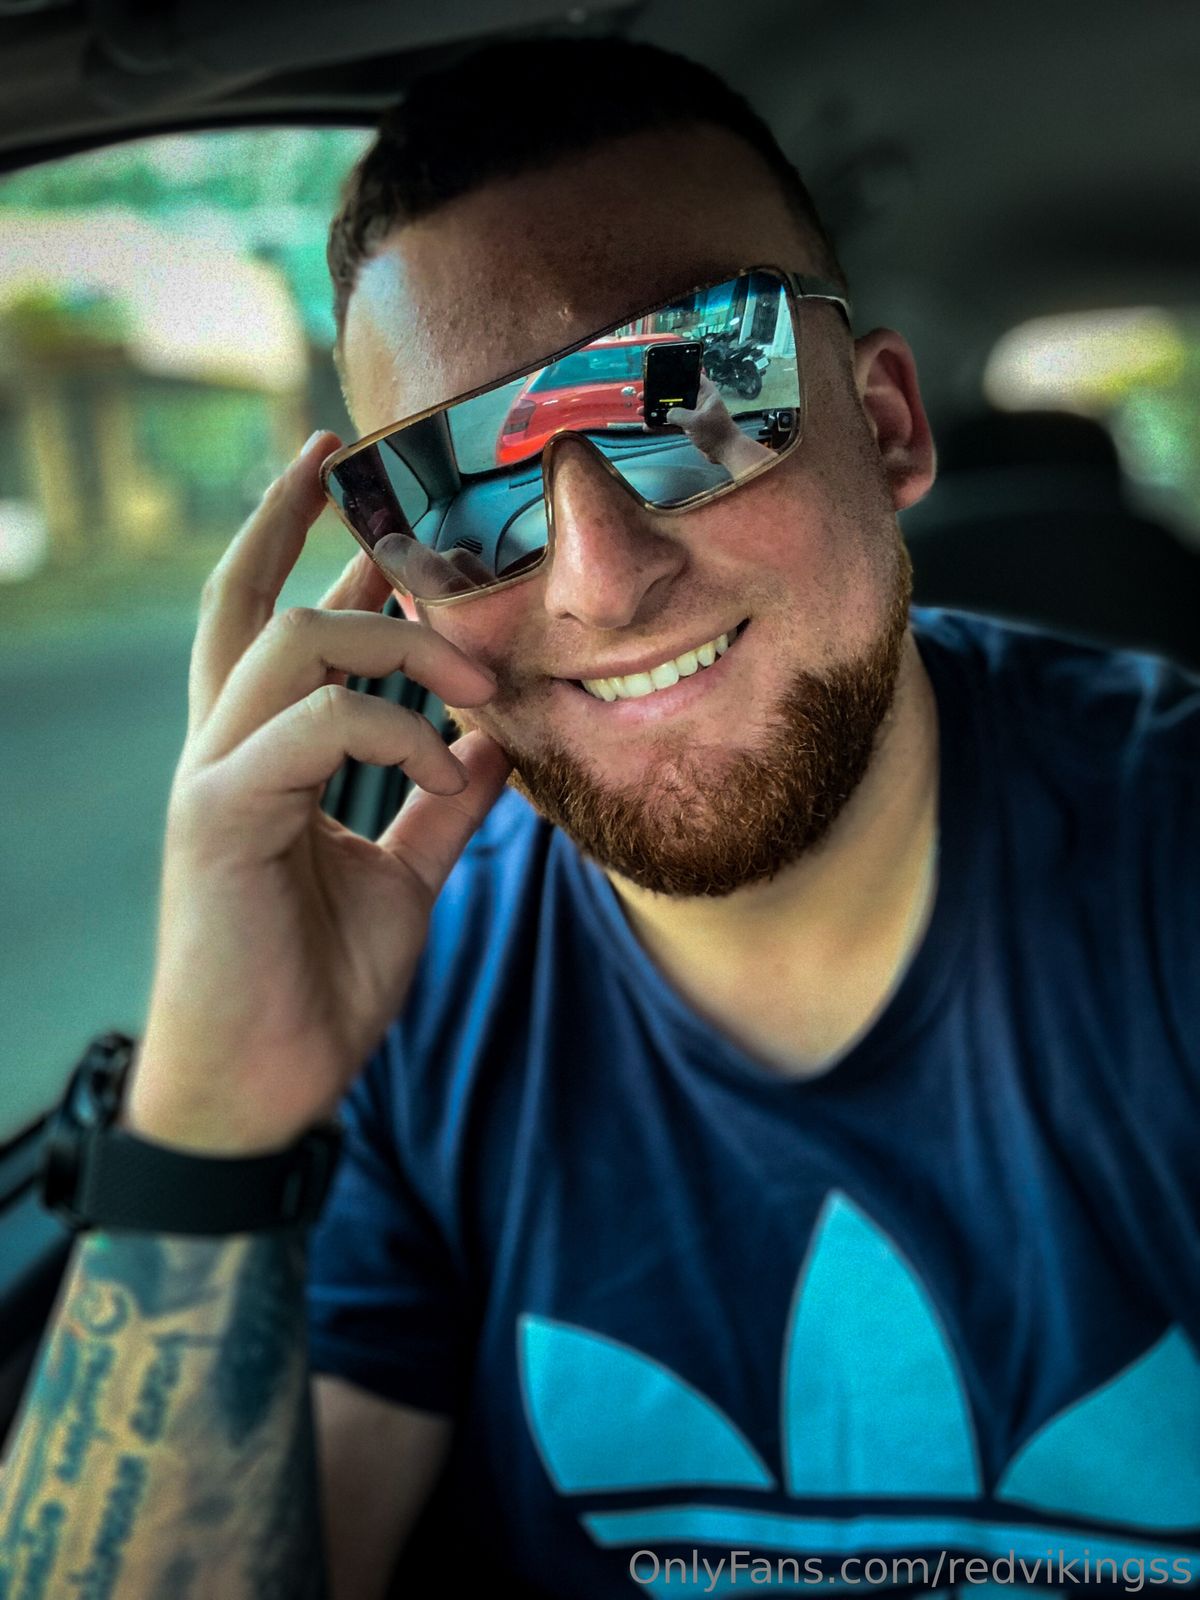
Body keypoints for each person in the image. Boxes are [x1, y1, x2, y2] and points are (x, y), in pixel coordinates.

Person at [3, 34, 1198, 1600]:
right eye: (459, 490)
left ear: (890, 426)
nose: (600, 578)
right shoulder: (413, 987)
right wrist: (210, 1120)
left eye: (693, 402)